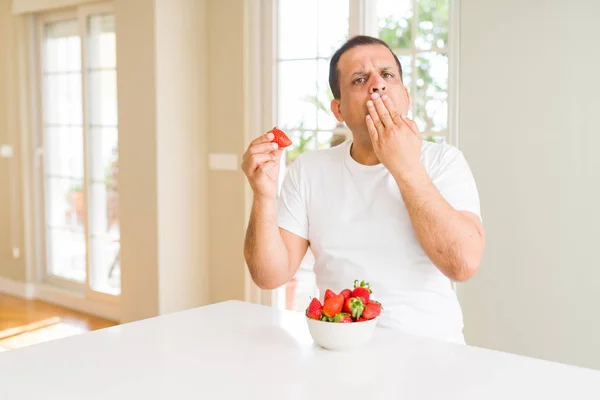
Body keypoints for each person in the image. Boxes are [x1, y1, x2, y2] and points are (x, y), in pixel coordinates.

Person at [241, 35, 485, 344]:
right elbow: (268, 276)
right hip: (338, 348)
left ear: (406, 97)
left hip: (432, 352)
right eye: (359, 79)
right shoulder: (310, 169)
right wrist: (262, 195)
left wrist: (404, 166)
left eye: (387, 75)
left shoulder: (443, 161)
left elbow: (462, 265)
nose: (377, 85)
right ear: (338, 109)